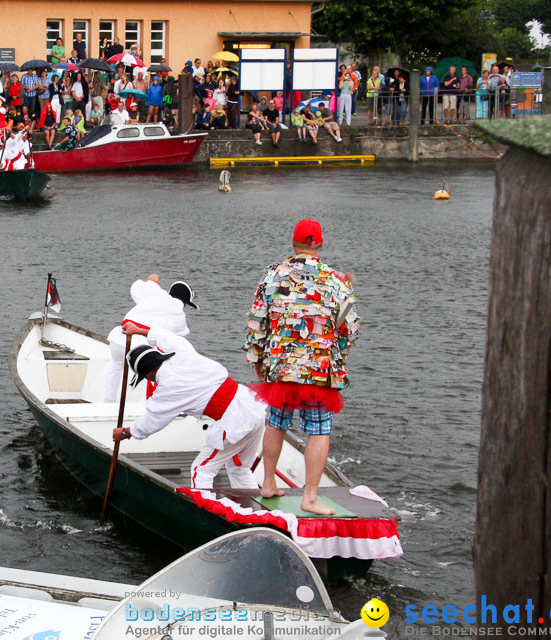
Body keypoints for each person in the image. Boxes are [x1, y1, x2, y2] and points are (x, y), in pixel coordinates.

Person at [245, 219, 359, 515]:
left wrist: (257, 358)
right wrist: (338, 356)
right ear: (319, 244)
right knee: (319, 430)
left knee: (276, 422)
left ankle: (268, 483)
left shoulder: (272, 277)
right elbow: (350, 329)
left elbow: (257, 323)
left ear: (293, 243)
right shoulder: (337, 281)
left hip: (280, 365)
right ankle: (310, 497)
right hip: (319, 370)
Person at [114, 320, 266, 491]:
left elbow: (152, 421)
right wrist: (138, 330)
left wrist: (127, 432)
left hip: (236, 420)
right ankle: (255, 514)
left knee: (200, 471)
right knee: (239, 469)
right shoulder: (180, 352)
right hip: (253, 406)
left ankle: (207, 514)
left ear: (148, 374)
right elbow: (165, 336)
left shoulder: (168, 388)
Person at [103, 274, 194, 403]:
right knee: (156, 371)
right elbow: (173, 340)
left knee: (116, 366)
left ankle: (108, 401)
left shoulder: (156, 293)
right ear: (186, 303)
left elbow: (136, 286)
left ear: (170, 293)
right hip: (139, 347)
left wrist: (151, 280)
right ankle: (146, 406)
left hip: (119, 336)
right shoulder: (180, 316)